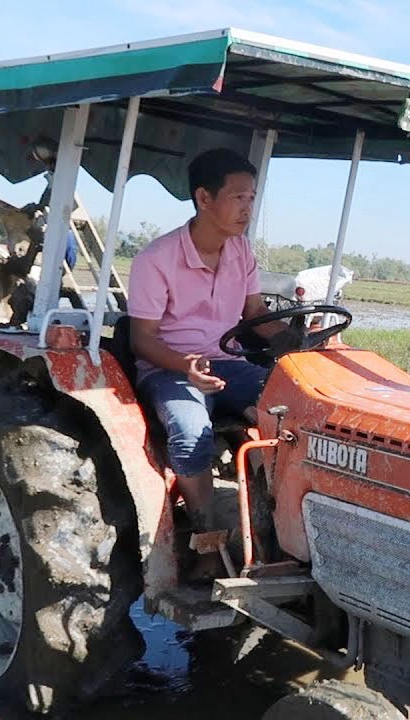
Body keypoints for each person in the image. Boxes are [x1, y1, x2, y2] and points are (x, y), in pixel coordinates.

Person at [128, 148, 291, 533]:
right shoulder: (155, 259)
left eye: (251, 198)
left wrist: (295, 339)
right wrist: (186, 365)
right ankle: (206, 535)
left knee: (295, 406)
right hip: (169, 369)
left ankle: (279, 525)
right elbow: (141, 340)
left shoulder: (241, 250)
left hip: (228, 362)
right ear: (204, 198)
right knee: (189, 433)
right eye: (238, 197)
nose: (247, 208)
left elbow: (254, 315)